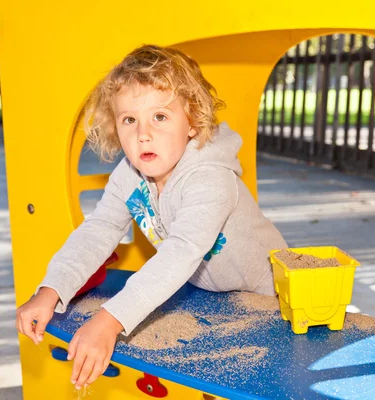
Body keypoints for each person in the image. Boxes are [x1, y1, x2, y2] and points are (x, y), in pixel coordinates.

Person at [15, 44, 287, 390]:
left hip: (271, 300)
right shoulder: (130, 175)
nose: (143, 134)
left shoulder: (211, 178)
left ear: (192, 122)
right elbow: (97, 231)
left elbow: (182, 250)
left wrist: (111, 318)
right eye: (129, 119)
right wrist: (50, 290)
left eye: (160, 117)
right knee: (209, 383)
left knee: (260, 386)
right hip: (210, 299)